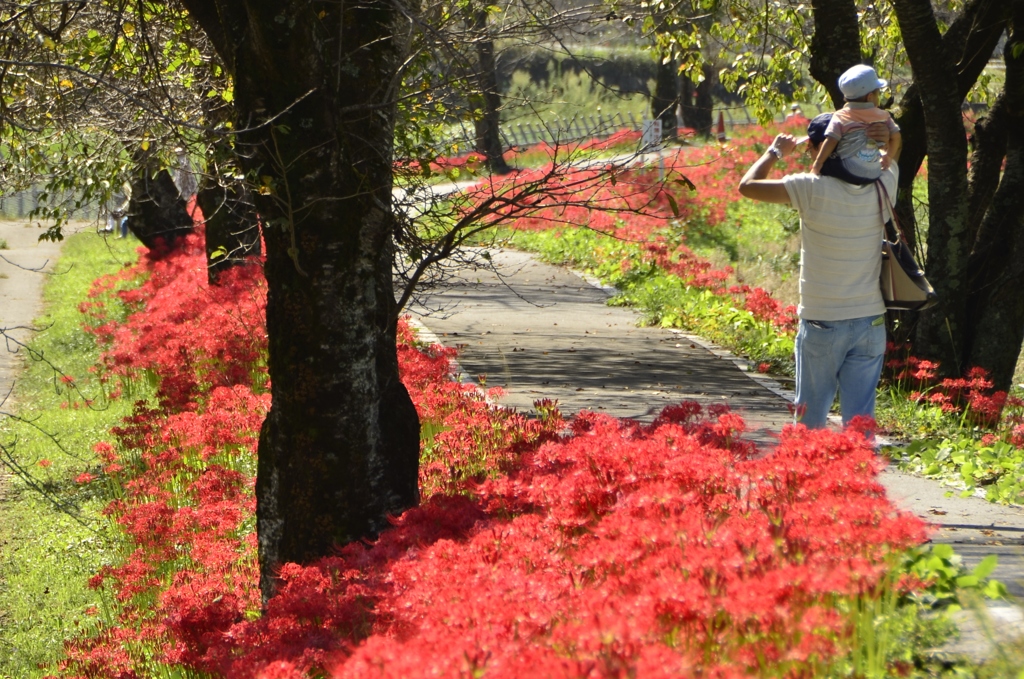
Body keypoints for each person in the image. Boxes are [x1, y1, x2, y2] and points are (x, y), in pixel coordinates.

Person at [737, 113, 899, 429]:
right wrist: (880, 139)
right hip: (870, 320)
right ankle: (862, 463)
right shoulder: (884, 183)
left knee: (809, 423)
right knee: (860, 426)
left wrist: (775, 151)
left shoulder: (809, 188)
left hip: (822, 321)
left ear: (817, 149)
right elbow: (891, 154)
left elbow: (748, 186)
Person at [810, 65, 901, 185]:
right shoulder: (883, 116)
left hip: (848, 171)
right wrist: (888, 157)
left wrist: (817, 164)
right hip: (874, 172)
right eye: (878, 94)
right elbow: (896, 137)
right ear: (870, 97)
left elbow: (831, 141)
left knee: (829, 159)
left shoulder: (841, 116)